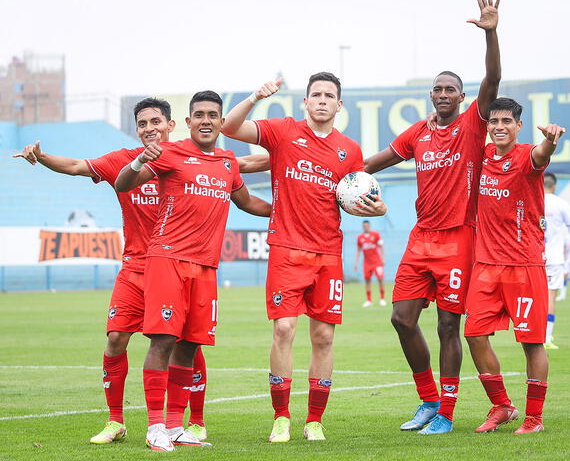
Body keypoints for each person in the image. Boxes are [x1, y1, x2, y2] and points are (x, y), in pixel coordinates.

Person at [13, 99, 269, 444]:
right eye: (143, 124)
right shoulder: (127, 160)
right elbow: (76, 166)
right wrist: (42, 158)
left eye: (155, 122)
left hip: (187, 265)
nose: (149, 128)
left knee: (190, 342)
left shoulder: (196, 157)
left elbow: (246, 170)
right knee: (120, 338)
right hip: (140, 266)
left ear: (171, 125)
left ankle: (192, 422)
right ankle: (118, 420)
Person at [221, 72, 387, 442]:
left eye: (330, 95)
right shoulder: (282, 132)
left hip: (329, 253)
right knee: (283, 329)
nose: (323, 100)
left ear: (339, 105)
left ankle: (314, 420)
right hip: (286, 250)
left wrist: (376, 209)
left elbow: (355, 199)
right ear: (306, 102)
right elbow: (229, 128)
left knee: (324, 337)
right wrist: (254, 96)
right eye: (317, 94)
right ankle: (281, 416)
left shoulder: (350, 151)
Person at [363, 0, 501, 435]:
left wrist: (491, 35)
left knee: (447, 326)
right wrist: (336, 171)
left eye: (450, 89)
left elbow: (493, 82)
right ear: (431, 95)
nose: (443, 94)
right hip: (421, 238)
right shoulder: (420, 131)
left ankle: (446, 411)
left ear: (462, 96)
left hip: (460, 237)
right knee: (401, 319)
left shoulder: (472, 123)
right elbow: (378, 159)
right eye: (437, 89)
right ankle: (427, 400)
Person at [114, 90, 271, 451]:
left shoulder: (228, 162)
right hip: (167, 259)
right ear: (188, 122)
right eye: (198, 114)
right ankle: (154, 426)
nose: (205, 120)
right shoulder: (169, 152)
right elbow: (124, 184)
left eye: (212, 115)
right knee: (163, 340)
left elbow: (246, 202)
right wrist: (139, 161)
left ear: (220, 122)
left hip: (206, 267)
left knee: (189, 345)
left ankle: (174, 427)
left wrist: (283, 212)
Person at [464, 97, 564, 435]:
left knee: (532, 343)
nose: (499, 127)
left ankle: (534, 418)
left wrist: (550, 139)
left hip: (525, 266)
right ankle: (503, 406)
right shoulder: (481, 156)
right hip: (486, 265)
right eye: (494, 122)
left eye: (507, 121)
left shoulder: (526, 156)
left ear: (518, 126)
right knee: (474, 335)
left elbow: (542, 154)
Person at [543, 172, 570, 349]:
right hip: (554, 257)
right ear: (554, 186)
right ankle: (546, 337)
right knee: (550, 295)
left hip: (533, 256)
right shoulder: (561, 204)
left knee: (534, 296)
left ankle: (531, 333)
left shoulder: (533, 199)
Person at [355, 220, 386, 307]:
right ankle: (369, 300)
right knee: (367, 281)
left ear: (369, 226)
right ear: (363, 227)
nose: (366, 227)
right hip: (367, 263)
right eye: (364, 226)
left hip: (377, 262)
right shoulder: (360, 237)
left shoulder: (375, 235)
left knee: (380, 279)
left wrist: (383, 258)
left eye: (367, 226)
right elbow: (358, 250)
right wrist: (356, 263)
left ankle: (382, 299)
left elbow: (381, 246)